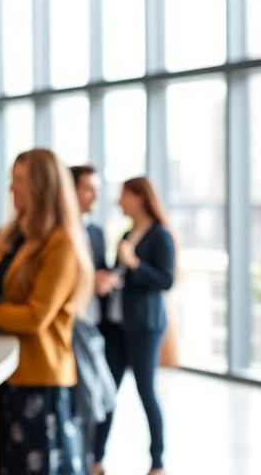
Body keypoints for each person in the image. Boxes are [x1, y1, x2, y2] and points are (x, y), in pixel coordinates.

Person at [0, 149, 93, 475]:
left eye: (18, 180)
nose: (11, 188)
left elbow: (37, 317)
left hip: (40, 375)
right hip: (5, 371)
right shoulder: (8, 235)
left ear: (40, 187)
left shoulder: (60, 242)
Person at [91, 177, 175, 475]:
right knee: (107, 391)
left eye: (124, 196)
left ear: (140, 198)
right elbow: (123, 276)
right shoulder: (127, 233)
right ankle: (96, 458)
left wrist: (135, 263)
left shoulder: (160, 235)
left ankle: (157, 462)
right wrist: (112, 278)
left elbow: (165, 280)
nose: (118, 202)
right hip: (116, 326)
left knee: (145, 391)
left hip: (144, 327)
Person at [69, 165, 119, 471]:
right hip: (72, 327)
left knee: (102, 396)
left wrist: (104, 281)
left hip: (98, 326)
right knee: (81, 399)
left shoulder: (97, 232)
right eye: (88, 188)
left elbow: (101, 270)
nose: (95, 195)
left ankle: (94, 459)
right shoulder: (60, 233)